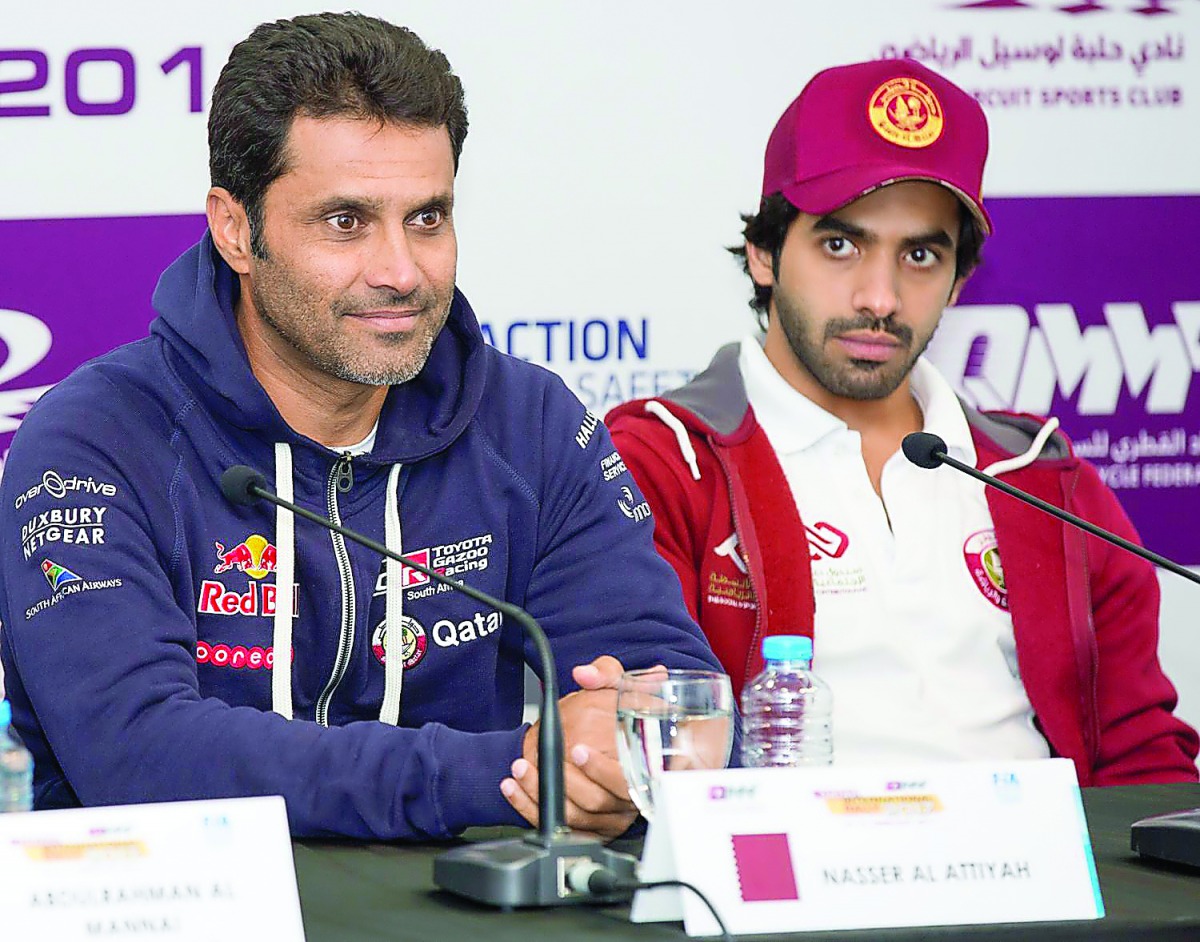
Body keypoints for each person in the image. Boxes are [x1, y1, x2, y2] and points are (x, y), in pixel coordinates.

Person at [0, 12, 724, 840]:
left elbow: (673, 697)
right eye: (346, 222)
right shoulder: (96, 440)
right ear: (236, 229)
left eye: (427, 218)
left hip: (469, 916)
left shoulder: (531, 425)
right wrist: (515, 767)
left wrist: (622, 755)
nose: (400, 271)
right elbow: (141, 755)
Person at [608, 58, 1198, 785]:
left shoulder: (1042, 477)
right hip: (793, 882)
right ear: (764, 253)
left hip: (1040, 887)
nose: (881, 296)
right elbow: (635, 740)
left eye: (921, 254)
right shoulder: (662, 463)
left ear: (961, 279)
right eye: (840, 244)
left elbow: (1143, 759)